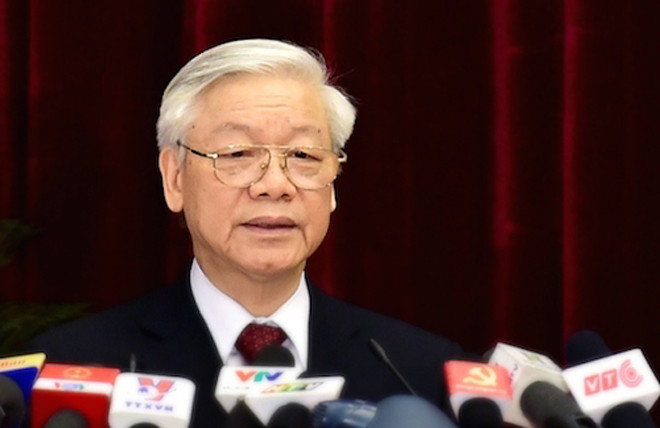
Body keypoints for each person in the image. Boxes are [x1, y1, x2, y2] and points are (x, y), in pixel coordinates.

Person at [27, 39, 467, 427]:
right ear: (174, 178)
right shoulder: (70, 370)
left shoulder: (418, 373)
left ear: (333, 183)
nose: (275, 185)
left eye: (303, 155)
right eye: (237, 153)